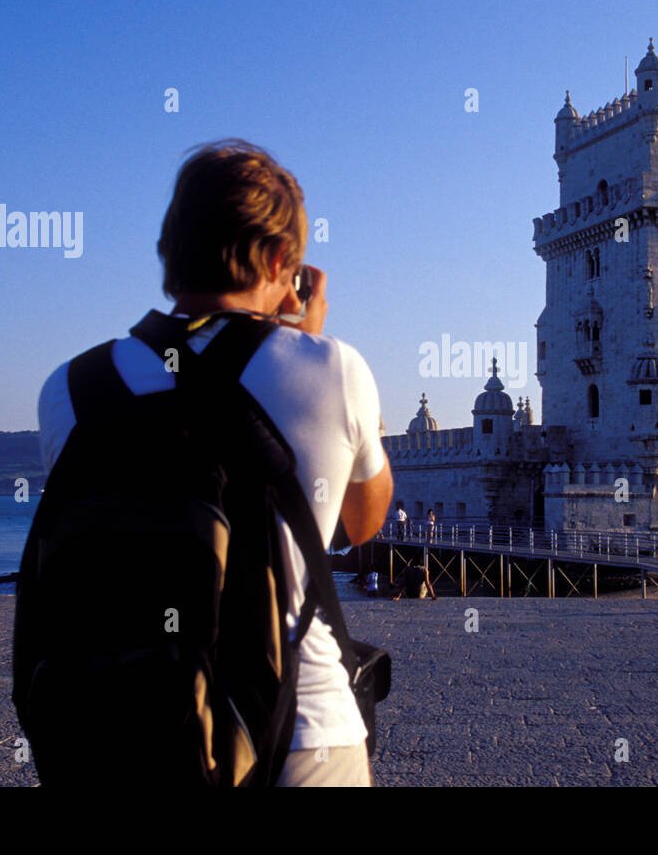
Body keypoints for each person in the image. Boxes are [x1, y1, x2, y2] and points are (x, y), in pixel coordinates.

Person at [34, 140, 393, 786]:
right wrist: (305, 345)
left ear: (171, 250)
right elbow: (363, 520)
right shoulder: (333, 369)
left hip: (121, 733)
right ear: (285, 259)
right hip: (300, 734)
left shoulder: (70, 388)